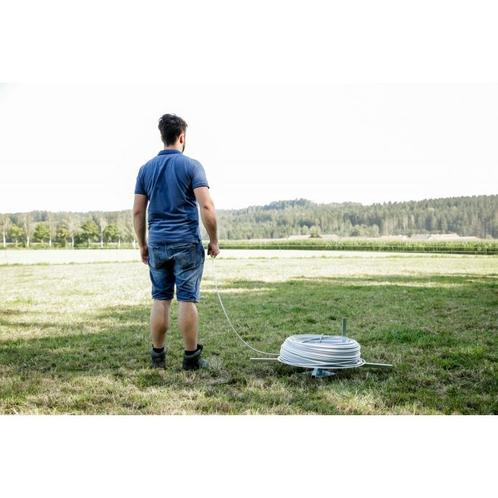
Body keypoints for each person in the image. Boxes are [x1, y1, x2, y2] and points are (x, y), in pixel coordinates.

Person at [133, 113, 219, 371]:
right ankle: (190, 358)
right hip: (186, 243)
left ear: (163, 137)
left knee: (160, 299)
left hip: (158, 243)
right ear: (182, 137)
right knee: (186, 299)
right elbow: (206, 205)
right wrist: (214, 240)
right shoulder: (192, 166)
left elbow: (138, 211)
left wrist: (142, 244)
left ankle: (157, 357)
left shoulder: (145, 169)